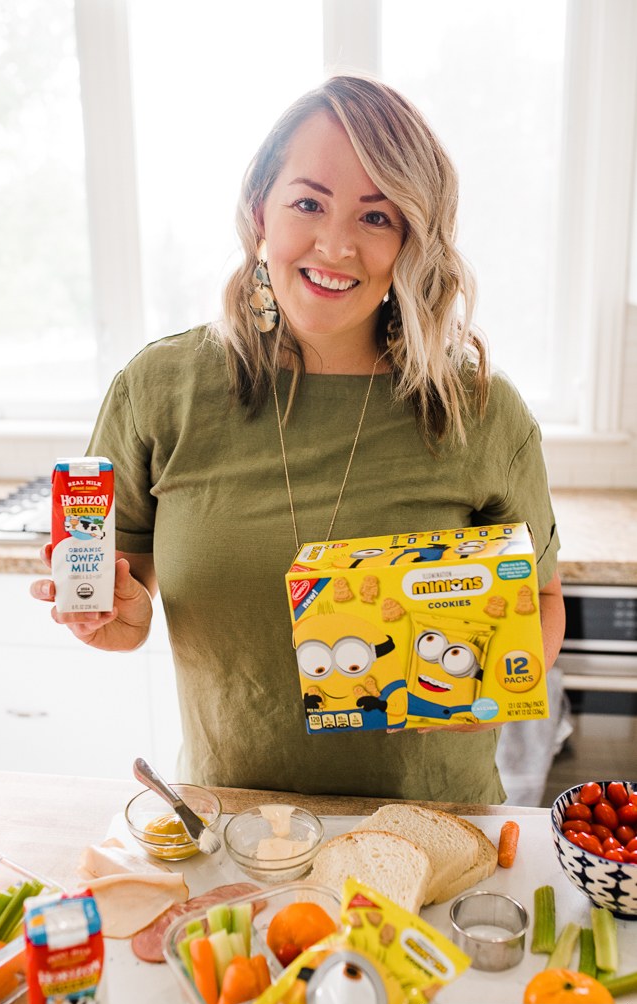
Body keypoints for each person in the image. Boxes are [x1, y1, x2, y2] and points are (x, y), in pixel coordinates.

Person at [31, 74, 565, 804]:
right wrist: (110, 618)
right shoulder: (162, 390)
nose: (336, 243)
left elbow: (540, 599)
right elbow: (121, 595)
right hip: (229, 832)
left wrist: (487, 689)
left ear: (414, 237)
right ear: (260, 212)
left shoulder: (479, 409)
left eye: (377, 218)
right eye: (308, 203)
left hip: (432, 835)